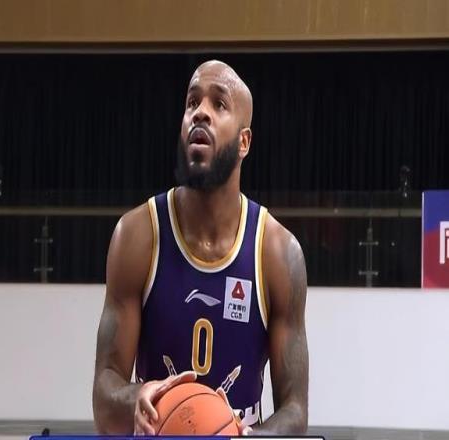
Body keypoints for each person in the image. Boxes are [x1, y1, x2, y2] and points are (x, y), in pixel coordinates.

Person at [92, 60, 308, 435]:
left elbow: (296, 410)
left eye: (218, 104)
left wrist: (250, 437)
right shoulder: (137, 236)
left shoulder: (277, 252)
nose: (200, 113)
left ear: (244, 142)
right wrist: (139, 396)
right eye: (192, 102)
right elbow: (104, 395)